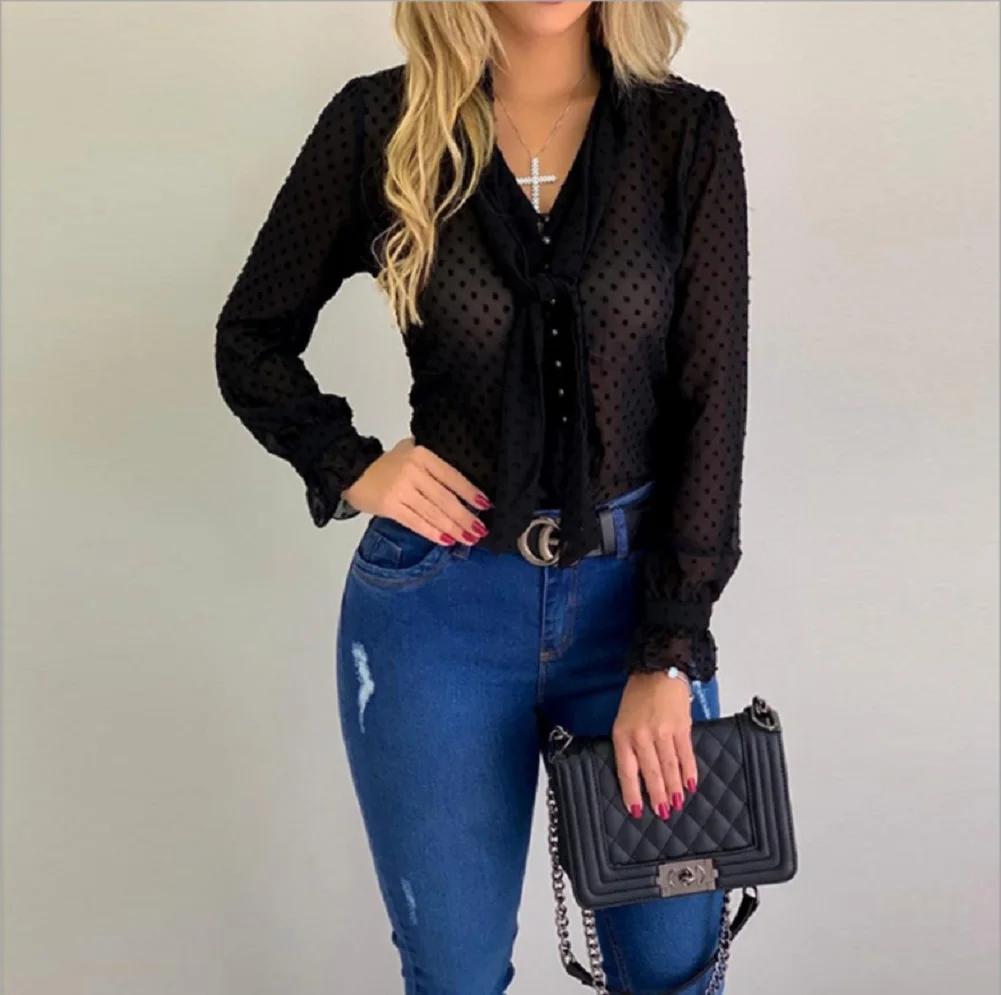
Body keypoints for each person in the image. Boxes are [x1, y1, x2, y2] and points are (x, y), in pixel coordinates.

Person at [214, 2, 748, 992]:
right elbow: (251, 337)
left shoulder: (685, 132)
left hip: (635, 611)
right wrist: (351, 463)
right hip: (435, 618)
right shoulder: (377, 126)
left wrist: (667, 650)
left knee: (674, 972)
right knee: (453, 978)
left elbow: (710, 404)